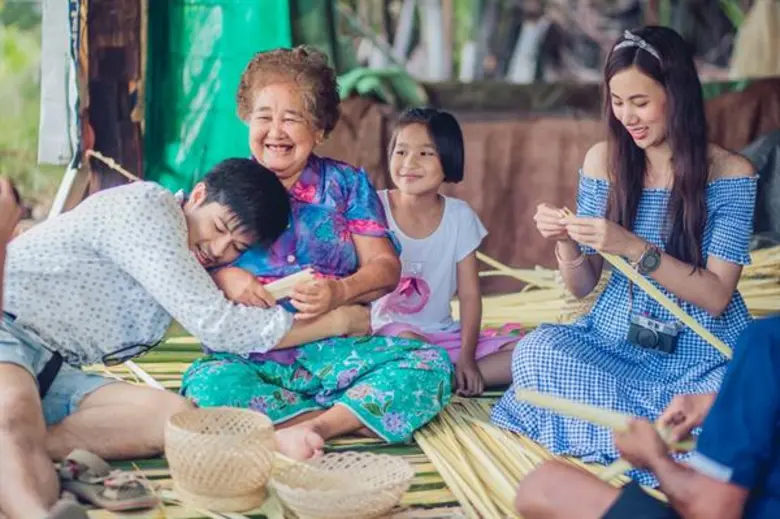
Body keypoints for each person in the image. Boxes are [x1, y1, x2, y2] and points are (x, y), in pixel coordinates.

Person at [0, 159, 370, 519]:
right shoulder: (148, 209)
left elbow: (202, 292)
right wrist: (336, 322)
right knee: (15, 407)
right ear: (197, 195)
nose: (219, 249)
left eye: (237, 247)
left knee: (172, 417)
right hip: (8, 327)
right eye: (220, 227)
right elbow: (220, 326)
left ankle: (26, 448)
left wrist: (227, 278)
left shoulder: (188, 257)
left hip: (54, 368)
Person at [491, 25, 757, 482]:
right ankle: (662, 443)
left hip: (701, 353)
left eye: (640, 102)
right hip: (616, 341)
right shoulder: (604, 161)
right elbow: (583, 285)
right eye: (617, 102)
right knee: (538, 352)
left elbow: (715, 296)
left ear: (676, 96)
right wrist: (565, 239)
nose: (627, 117)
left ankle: (640, 436)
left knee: (740, 394)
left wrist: (632, 246)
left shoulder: (731, 174)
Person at [180, 47, 453, 459]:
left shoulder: (345, 186)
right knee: (206, 386)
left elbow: (384, 267)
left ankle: (312, 427)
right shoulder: (225, 184)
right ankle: (354, 416)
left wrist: (340, 292)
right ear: (246, 119)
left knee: (429, 366)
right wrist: (224, 278)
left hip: (336, 350)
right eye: (264, 117)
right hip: (251, 356)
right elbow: (183, 265)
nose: (276, 131)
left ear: (321, 130)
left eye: (292, 118)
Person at [514, 315, 780, 519]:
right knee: (538, 347)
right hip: (626, 354)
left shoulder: (767, 341)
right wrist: (715, 402)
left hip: (725, 505)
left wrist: (655, 460)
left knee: (544, 487)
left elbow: (713, 511)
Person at [371, 107, 521, 396]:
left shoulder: (459, 217)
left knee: (525, 352)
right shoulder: (374, 208)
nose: (409, 163)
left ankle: (443, 379)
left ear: (448, 159)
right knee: (412, 345)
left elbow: (469, 295)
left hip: (442, 335)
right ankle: (434, 376)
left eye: (425, 153)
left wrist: (467, 357)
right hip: (389, 334)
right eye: (401, 152)